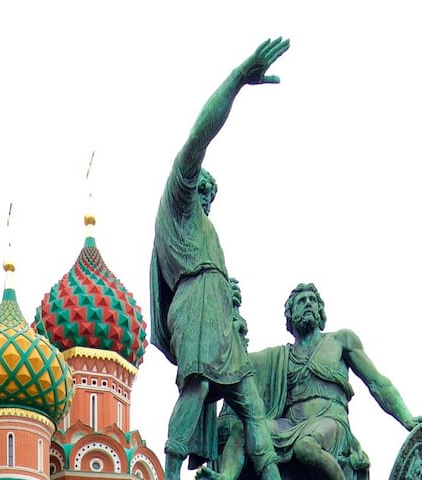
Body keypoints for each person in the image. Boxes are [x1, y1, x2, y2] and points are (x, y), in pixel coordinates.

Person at [148, 38, 291, 480]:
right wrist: (236, 81)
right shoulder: (180, 200)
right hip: (198, 303)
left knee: (250, 399)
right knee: (198, 385)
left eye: (210, 190)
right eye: (203, 185)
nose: (207, 192)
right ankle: (170, 473)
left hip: (216, 305)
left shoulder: (204, 226)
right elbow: (199, 136)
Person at [201, 284, 422, 480]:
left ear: (321, 312)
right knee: (244, 428)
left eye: (313, 300)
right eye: (301, 301)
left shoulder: (340, 340)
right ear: (290, 317)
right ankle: (225, 477)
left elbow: (377, 383)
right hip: (289, 423)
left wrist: (406, 418)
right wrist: (228, 312)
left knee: (305, 447)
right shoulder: (279, 356)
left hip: (330, 421)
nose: (308, 304)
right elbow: (235, 365)